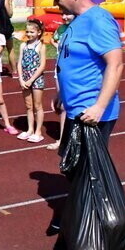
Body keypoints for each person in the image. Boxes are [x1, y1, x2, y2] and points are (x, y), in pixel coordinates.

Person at [52, 0, 123, 153]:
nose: (55, 3)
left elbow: (115, 64)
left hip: (89, 113)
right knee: (72, 164)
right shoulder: (77, 21)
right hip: (74, 109)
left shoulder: (98, 20)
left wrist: (99, 107)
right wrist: (62, 93)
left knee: (88, 169)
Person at [16, 19, 47, 143]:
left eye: (32, 32)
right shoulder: (23, 45)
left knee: (37, 105)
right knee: (28, 106)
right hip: (25, 79)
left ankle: (38, 132)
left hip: (36, 79)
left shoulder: (41, 46)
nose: (29, 34)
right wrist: (21, 78)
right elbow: (19, 63)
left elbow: (42, 65)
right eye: (27, 32)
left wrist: (31, 79)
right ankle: (30, 129)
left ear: (39, 32)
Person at [47, 12, 74, 151]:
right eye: (62, 14)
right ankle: (63, 139)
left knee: (68, 105)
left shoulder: (79, 29)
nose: (64, 17)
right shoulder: (62, 28)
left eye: (67, 14)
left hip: (73, 71)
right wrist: (58, 46)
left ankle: (70, 138)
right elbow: (53, 39)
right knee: (61, 105)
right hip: (60, 68)